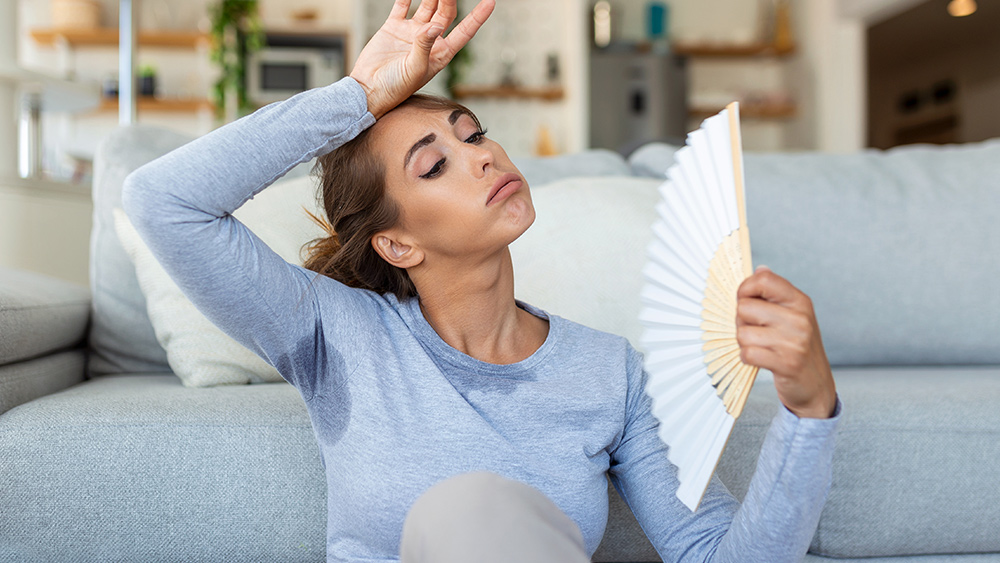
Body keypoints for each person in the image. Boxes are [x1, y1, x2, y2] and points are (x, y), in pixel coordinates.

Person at [122, 0, 842, 561]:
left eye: (473, 134)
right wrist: (357, 96)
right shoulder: (336, 334)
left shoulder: (609, 373)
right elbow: (163, 201)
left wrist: (808, 411)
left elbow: (717, 555)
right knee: (466, 507)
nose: (482, 156)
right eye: (435, 165)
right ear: (397, 243)